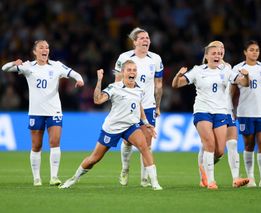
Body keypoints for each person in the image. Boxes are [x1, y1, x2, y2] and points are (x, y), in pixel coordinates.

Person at [59, 60, 162, 190]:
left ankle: (154, 183)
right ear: (123, 72)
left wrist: (146, 123)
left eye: (134, 70)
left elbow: (139, 106)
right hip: (112, 128)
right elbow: (97, 100)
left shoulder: (139, 89)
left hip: (130, 126)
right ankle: (74, 178)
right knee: (94, 158)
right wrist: (99, 80)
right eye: (129, 70)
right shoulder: (114, 87)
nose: (132, 72)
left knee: (145, 147)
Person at [1, 40, 84, 186]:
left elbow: (73, 73)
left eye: (47, 47)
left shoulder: (57, 65)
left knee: (55, 142)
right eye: (41, 47)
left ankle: (54, 177)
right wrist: (14, 63)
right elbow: (4, 68)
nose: (45, 50)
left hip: (54, 110)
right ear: (35, 52)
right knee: (36, 145)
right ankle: (37, 178)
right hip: (36, 111)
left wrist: (79, 79)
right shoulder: (28, 66)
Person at [172, 42, 249, 189]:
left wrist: (247, 76)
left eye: (219, 54)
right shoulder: (198, 70)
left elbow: (244, 83)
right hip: (202, 111)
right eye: (214, 53)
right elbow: (176, 84)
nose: (217, 55)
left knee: (219, 151)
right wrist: (178, 75)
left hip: (220, 112)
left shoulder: (226, 70)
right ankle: (211, 181)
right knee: (209, 144)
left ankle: (204, 168)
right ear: (206, 56)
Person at [114, 27, 163, 187]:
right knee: (128, 142)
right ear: (134, 41)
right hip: (129, 106)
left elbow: (158, 85)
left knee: (146, 144)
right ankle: (125, 169)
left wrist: (158, 106)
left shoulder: (155, 59)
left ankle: (144, 179)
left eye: (147, 37)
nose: (146, 40)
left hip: (148, 106)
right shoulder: (124, 58)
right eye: (142, 38)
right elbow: (116, 83)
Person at [197, 41, 249, 188]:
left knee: (232, 144)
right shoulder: (206, 69)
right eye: (217, 48)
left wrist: (232, 107)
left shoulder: (227, 68)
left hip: (227, 110)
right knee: (209, 147)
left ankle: (236, 178)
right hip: (211, 110)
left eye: (222, 48)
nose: (220, 50)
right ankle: (204, 176)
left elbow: (232, 90)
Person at [233, 40, 261, 188]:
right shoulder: (238, 68)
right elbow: (233, 90)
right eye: (251, 50)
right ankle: (250, 178)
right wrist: (231, 109)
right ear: (245, 52)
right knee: (249, 144)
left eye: (257, 50)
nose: (255, 52)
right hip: (245, 111)